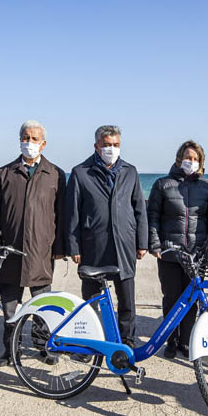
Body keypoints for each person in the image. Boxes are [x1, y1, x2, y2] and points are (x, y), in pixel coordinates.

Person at [0, 120, 66, 366]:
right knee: (10, 310)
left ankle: (44, 348)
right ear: (19, 139)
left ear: (44, 143)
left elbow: (63, 215)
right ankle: (10, 351)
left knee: (42, 307)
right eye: (26, 138)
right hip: (10, 253)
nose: (29, 143)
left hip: (41, 253)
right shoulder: (5, 173)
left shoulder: (56, 174)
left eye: (34, 139)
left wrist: (60, 247)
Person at [64, 125, 148, 345]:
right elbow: (71, 213)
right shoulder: (81, 172)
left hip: (125, 245)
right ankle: (88, 339)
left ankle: (126, 342)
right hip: (93, 245)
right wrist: (74, 247)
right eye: (107, 145)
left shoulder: (130, 171)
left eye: (116, 145)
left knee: (127, 300)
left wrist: (142, 242)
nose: (111, 148)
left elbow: (139, 208)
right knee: (90, 299)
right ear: (96, 146)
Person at [148, 140, 208, 358]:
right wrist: (155, 244)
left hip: (197, 255)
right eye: (188, 158)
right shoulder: (163, 185)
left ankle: (186, 341)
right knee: (171, 298)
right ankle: (171, 340)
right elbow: (153, 218)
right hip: (169, 252)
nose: (191, 162)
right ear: (179, 159)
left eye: (196, 159)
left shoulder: (207, 188)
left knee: (192, 299)